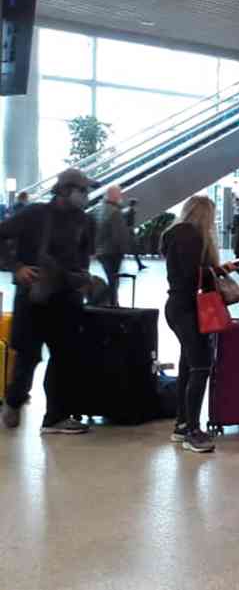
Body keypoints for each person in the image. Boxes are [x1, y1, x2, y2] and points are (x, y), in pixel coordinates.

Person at [0, 169, 96, 434]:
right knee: (28, 355)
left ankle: (55, 417)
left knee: (65, 356)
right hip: (34, 296)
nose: (85, 195)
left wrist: (83, 279)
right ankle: (14, 400)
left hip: (67, 297)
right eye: (81, 190)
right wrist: (16, 267)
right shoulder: (34, 214)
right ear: (64, 190)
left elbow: (84, 257)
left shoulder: (85, 221)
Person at [162, 196, 238, 452]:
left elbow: (186, 273)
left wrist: (215, 270)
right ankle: (192, 431)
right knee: (201, 366)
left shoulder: (173, 234)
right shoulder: (192, 237)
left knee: (189, 364)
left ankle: (182, 424)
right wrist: (219, 270)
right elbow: (193, 275)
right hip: (189, 308)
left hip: (176, 305)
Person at [95, 185, 132, 306]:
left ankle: (111, 302)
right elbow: (118, 234)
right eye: (119, 194)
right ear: (114, 196)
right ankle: (113, 304)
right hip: (112, 251)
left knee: (111, 278)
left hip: (101, 250)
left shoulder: (99, 208)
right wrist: (124, 248)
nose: (121, 196)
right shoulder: (115, 212)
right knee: (113, 279)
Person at [124, 198, 147, 271]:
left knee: (134, 249)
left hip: (128, 232)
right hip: (129, 232)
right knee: (134, 248)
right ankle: (140, 265)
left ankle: (140, 265)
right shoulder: (131, 211)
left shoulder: (127, 211)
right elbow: (129, 223)